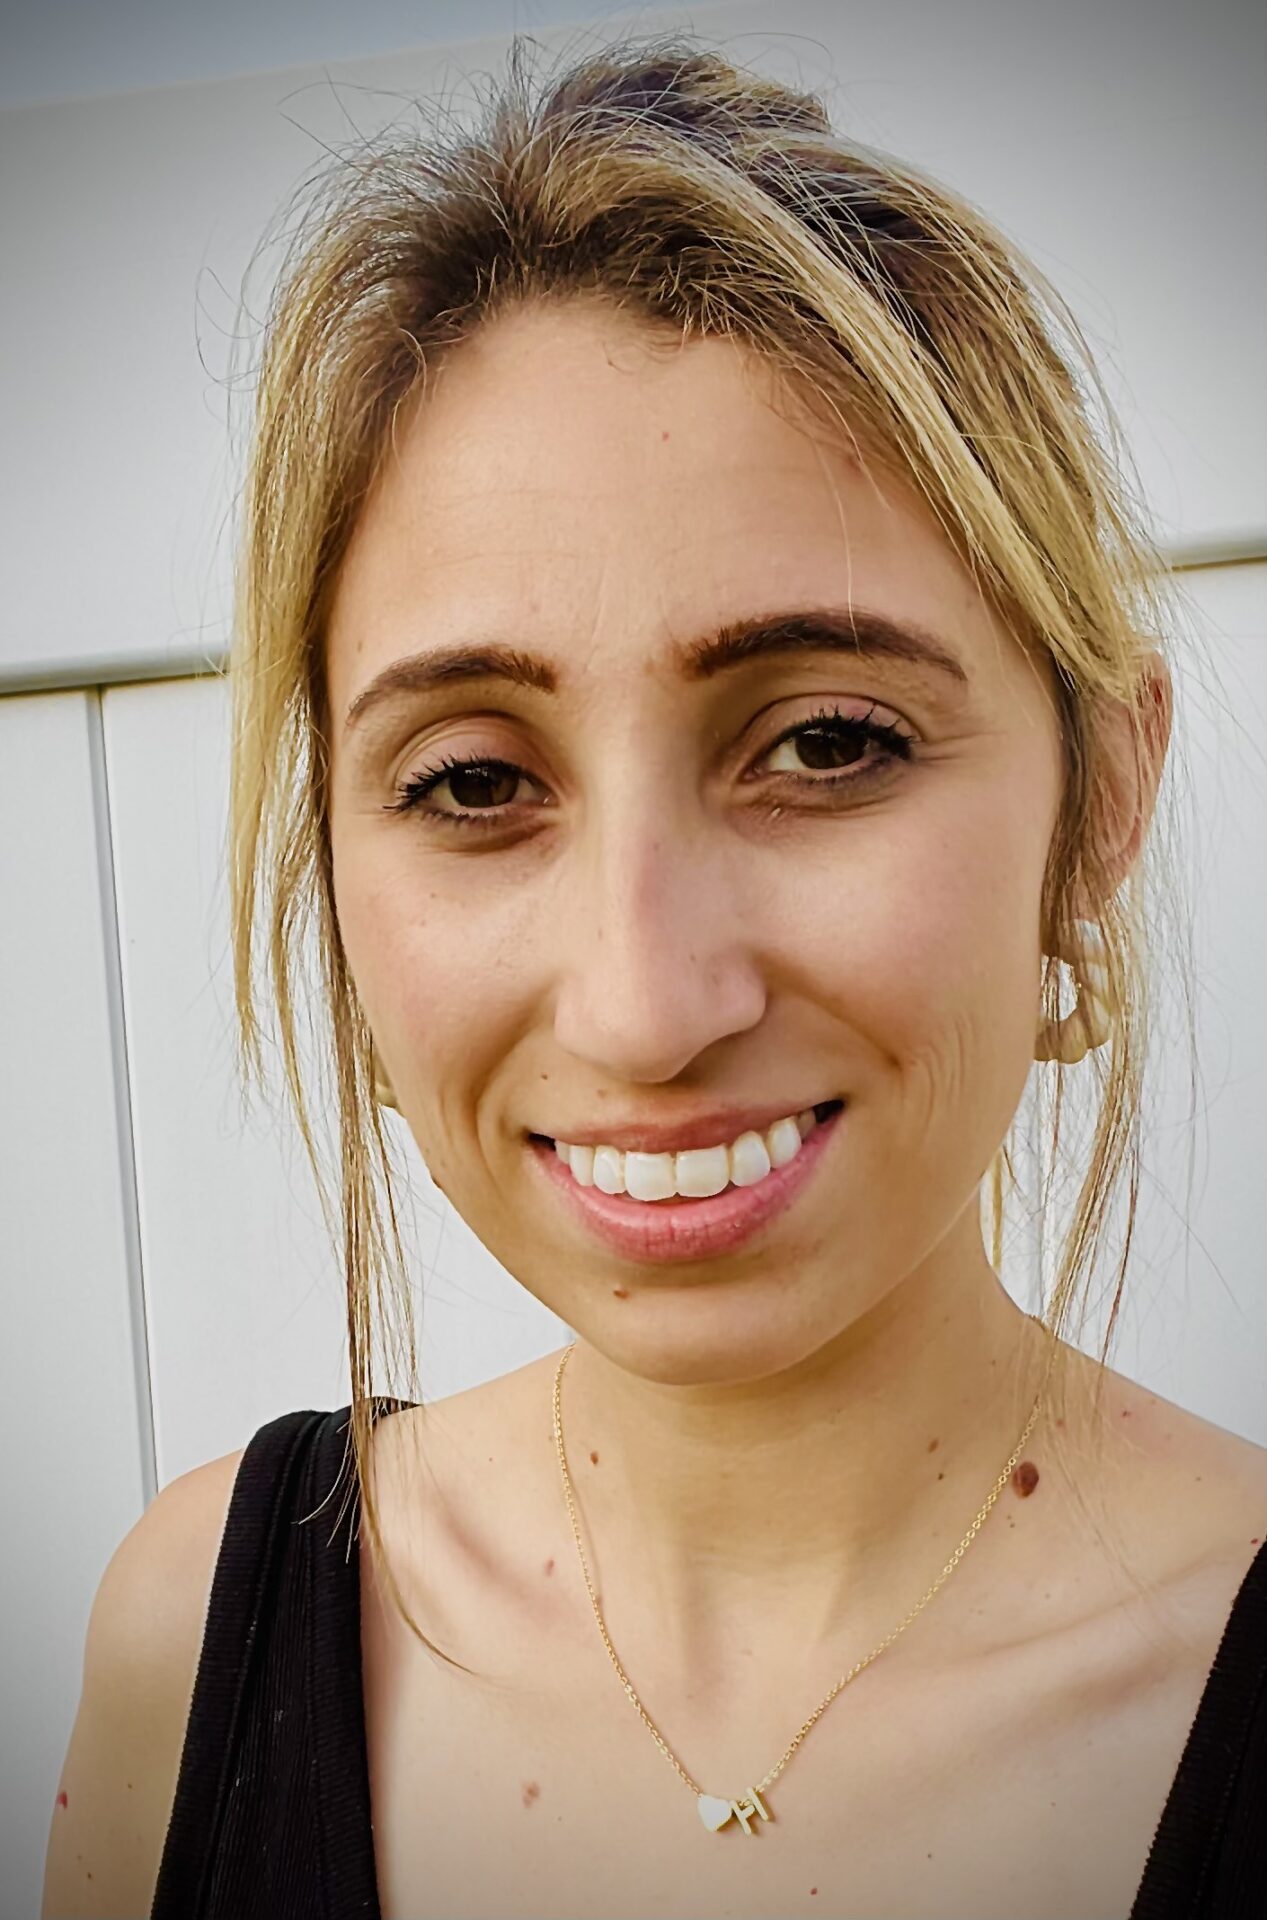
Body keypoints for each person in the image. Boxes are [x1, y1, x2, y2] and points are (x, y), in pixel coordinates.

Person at [43, 32, 1266, 1920]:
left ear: (1097, 801)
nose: (641, 1002)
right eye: (471, 782)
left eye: (831, 742)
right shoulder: (182, 1635)